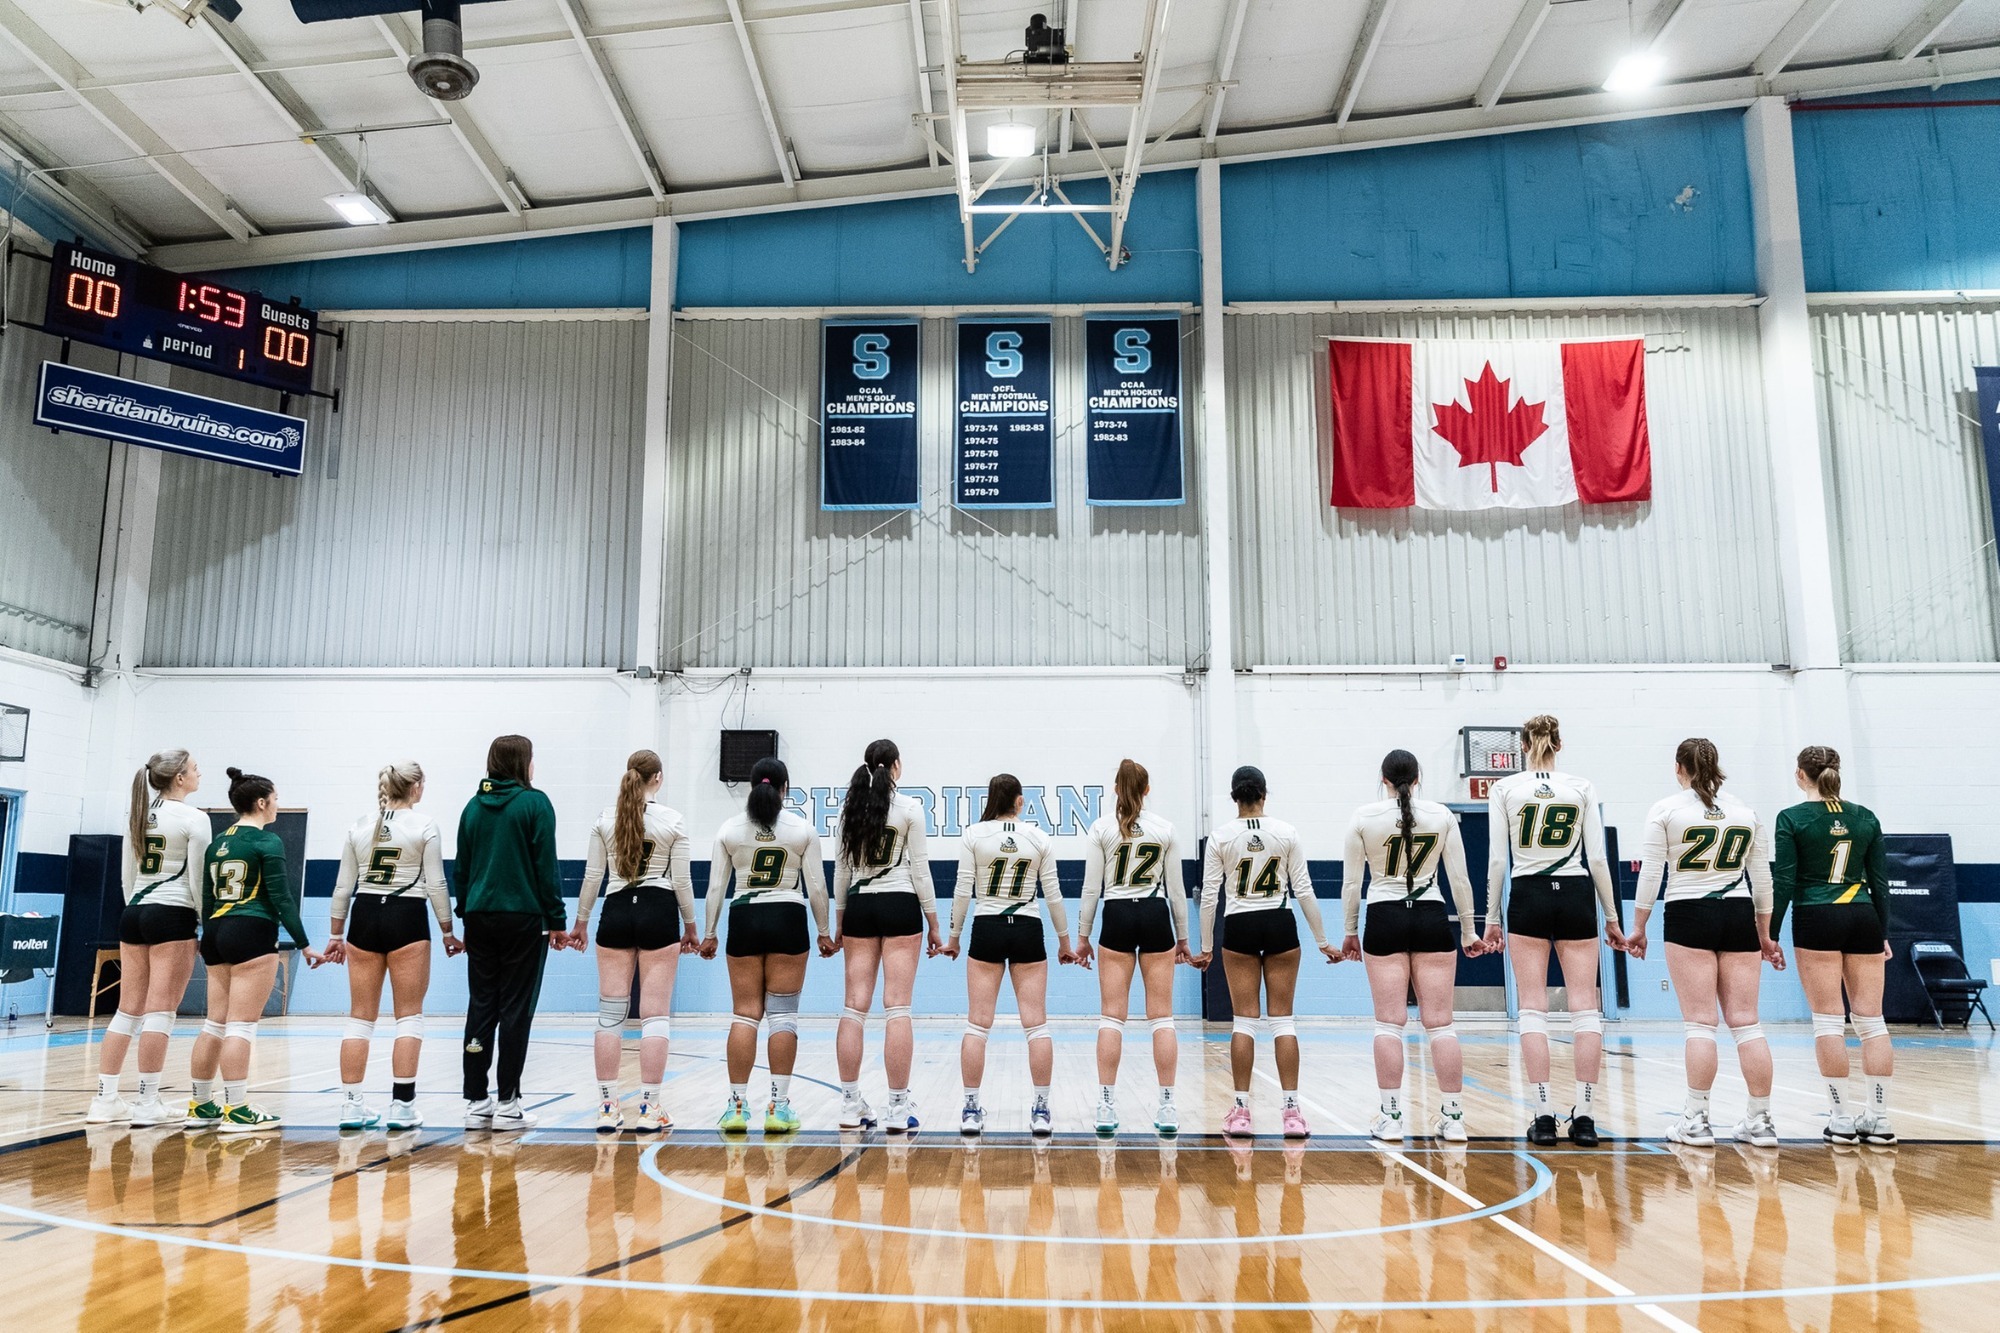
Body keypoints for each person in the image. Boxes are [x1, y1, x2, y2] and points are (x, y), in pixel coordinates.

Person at [1627, 738, 1783, 1148]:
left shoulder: (1665, 810)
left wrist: (1638, 926)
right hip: (1738, 914)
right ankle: (1761, 1120)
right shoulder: (1746, 812)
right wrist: (1765, 934)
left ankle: (1696, 1121)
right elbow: (1763, 880)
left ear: (1679, 767)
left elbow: (1650, 876)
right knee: (1747, 1023)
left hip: (1688, 913)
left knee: (1700, 1024)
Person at [1483, 715, 1625, 1148]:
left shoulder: (1505, 788)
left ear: (1523, 744)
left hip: (1527, 892)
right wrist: (1613, 917)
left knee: (1532, 1009)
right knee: (1586, 1009)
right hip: (1577, 891)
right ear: (1559, 744)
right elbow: (1598, 860)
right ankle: (1585, 1116)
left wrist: (1492, 917)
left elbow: (1496, 861)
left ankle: (1543, 1115)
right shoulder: (1580, 787)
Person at [1341, 750, 1481, 1143]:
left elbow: (1352, 885)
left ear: (1383, 779)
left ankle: (1391, 1118)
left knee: (1388, 1023)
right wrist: (1469, 931)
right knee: (1441, 1025)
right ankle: (1454, 1119)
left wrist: (1350, 929)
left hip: (1384, 916)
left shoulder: (1364, 818)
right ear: (1418, 777)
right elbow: (1460, 879)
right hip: (1431, 915)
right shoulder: (1441, 816)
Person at [1199, 765, 1338, 1139]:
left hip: (1240, 924)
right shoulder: (1286, 832)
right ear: (1264, 795)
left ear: (1234, 798)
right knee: (1283, 1022)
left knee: (1244, 1021)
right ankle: (1292, 1112)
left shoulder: (1221, 837)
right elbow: (1304, 890)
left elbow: (1210, 896)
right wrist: (1323, 940)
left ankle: (1241, 1111)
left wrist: (1206, 947)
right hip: (1279, 922)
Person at [564, 749, 698, 1133]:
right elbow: (683, 882)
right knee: (655, 1015)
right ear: (657, 777)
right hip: (658, 909)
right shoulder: (672, 819)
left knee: (610, 1015)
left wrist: (581, 923)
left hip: (617, 910)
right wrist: (690, 926)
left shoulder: (605, 819)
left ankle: (607, 1107)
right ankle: (650, 1108)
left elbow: (593, 878)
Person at [325, 762, 460, 1132]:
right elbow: (436, 885)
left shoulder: (359, 825)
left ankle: (351, 1106)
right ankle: (402, 1107)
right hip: (407, 916)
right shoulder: (425, 825)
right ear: (415, 787)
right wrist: (448, 931)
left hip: (364, 916)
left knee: (359, 1017)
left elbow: (342, 888)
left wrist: (336, 936)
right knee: (409, 1016)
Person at [185, 768, 322, 1132]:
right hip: (252, 930)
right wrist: (305, 944)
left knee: (214, 1023)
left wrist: (207, 933)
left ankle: (200, 1105)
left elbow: (208, 896)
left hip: (214, 931)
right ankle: (237, 1108)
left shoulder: (218, 843)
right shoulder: (267, 842)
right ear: (261, 803)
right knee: (242, 1027)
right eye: (275, 799)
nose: (277, 805)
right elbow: (281, 899)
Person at [1772, 745, 1895, 1146]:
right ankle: (1879, 1119)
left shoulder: (1792, 818)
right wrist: (1884, 932)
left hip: (1817, 916)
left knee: (1828, 1020)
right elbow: (1880, 883)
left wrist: (1770, 933)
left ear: (1800, 775)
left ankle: (1841, 1119)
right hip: (1863, 917)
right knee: (1871, 1021)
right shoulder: (1865, 817)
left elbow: (1785, 882)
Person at [701, 757, 832, 1134]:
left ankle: (737, 1108)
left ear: (751, 786)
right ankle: (779, 1106)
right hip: (788, 919)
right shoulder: (801, 829)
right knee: (783, 1016)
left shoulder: (729, 829)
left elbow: (714, 889)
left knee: (745, 1014)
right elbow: (817, 887)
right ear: (785, 788)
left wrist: (709, 933)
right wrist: (824, 931)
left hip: (744, 918)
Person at [946, 775, 1075, 1136]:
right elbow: (1054, 895)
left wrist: (954, 937)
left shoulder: (974, 835)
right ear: (1020, 802)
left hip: (986, 925)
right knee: (1037, 1025)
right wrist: (1065, 943)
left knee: (977, 1024)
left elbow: (961, 890)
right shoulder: (1038, 837)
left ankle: (971, 1110)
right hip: (1027, 928)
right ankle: (1041, 1111)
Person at [89, 750, 210, 1127]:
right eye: (194, 769)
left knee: (127, 1010)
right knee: (160, 1011)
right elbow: (198, 880)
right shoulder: (195, 818)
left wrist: (136, 909)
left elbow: (127, 875)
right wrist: (204, 923)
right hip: (173, 914)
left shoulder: (138, 815)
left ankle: (105, 1099)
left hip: (134, 913)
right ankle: (146, 1102)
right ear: (178, 778)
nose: (198, 773)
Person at [455, 735, 566, 1133]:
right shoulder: (535, 803)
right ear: (523, 762)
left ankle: (475, 1102)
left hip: (479, 916)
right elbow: (545, 866)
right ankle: (508, 1103)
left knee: (482, 1004)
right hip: (523, 918)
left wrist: (464, 913)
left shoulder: (472, 807)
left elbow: (462, 870)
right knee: (516, 1008)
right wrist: (557, 919)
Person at [830, 739, 943, 1133]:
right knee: (897, 1007)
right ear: (896, 765)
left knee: (853, 1007)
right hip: (900, 904)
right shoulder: (910, 808)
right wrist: (933, 922)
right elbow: (921, 870)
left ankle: (849, 1104)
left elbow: (841, 873)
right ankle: (897, 1108)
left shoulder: (850, 809)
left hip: (860, 905)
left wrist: (840, 921)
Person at [1075, 758, 1190, 1136]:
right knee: (1162, 1017)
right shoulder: (1165, 829)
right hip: (1156, 915)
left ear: (1115, 789)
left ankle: (1106, 1105)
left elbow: (1091, 889)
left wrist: (1082, 936)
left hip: (1117, 915)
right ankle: (1168, 1105)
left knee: (1112, 1017)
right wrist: (1184, 939)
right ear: (1147, 790)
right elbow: (1176, 891)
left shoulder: (1102, 828)